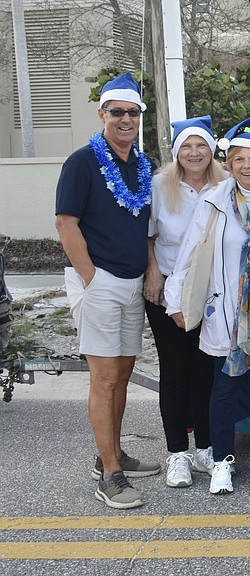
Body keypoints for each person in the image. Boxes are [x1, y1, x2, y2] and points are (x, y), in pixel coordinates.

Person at [165, 118, 250, 496]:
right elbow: (190, 254)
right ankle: (222, 461)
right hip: (228, 314)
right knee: (224, 387)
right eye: (238, 159)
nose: (246, 166)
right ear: (230, 163)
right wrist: (176, 300)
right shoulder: (215, 201)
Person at [55, 72, 160, 509]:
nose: (125, 119)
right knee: (104, 378)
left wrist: (151, 271)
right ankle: (110, 476)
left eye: (132, 113)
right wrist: (91, 278)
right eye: (117, 112)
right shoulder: (82, 162)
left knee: (122, 375)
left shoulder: (142, 164)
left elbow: (149, 228)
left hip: (133, 282)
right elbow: (66, 223)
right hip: (99, 282)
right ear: (102, 114)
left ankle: (110, 457)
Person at [144, 116, 228, 488]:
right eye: (187, 146)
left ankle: (205, 449)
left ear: (211, 149)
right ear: (177, 152)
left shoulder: (227, 184)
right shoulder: (160, 187)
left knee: (206, 371)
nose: (194, 153)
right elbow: (148, 236)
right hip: (168, 294)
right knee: (175, 370)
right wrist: (152, 274)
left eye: (201, 145)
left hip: (213, 293)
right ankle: (177, 452)